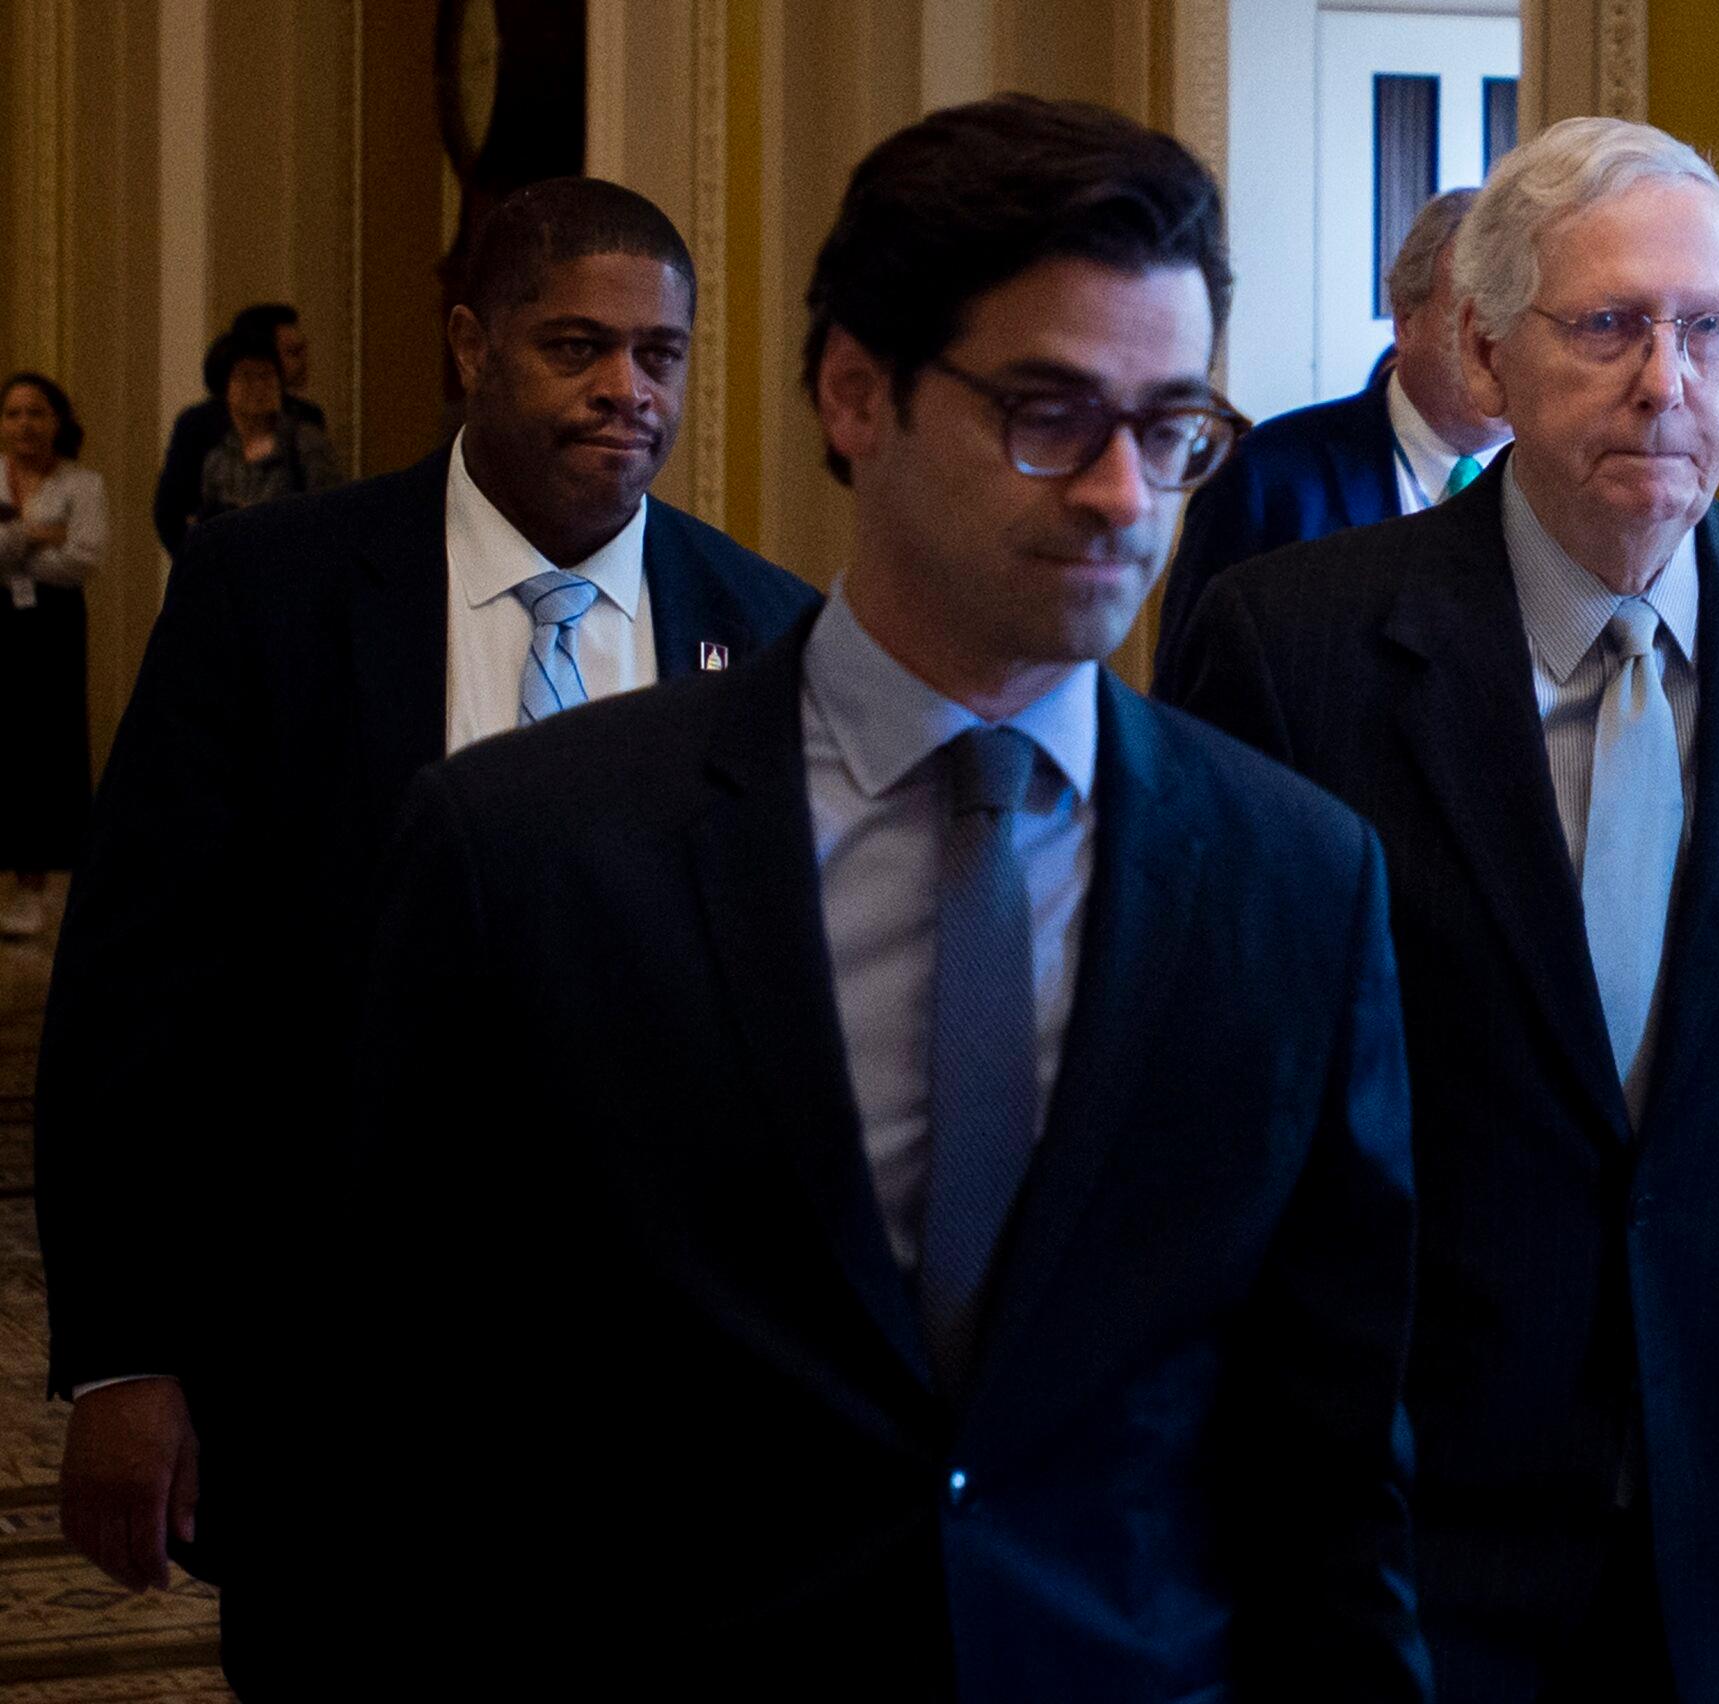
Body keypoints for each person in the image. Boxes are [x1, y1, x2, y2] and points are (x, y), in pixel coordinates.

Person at [348, 96, 1427, 1698]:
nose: (1127, 495)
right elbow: (390, 1422)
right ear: (857, 392)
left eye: (1173, 427)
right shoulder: (535, 851)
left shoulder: (1297, 877)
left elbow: (1332, 1465)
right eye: (1050, 414)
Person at [1167, 115, 1719, 1702]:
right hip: (1391, 1440)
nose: (1663, 379)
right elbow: (1210, 1087)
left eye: (1706, 329)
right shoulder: (1297, 642)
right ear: (1484, 353)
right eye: (1608, 325)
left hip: (1713, 1433)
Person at [34, 177, 818, 1696]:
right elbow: (139, 984)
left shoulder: (766, 629)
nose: (626, 391)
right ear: (473, 342)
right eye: (578, 346)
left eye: (659, 354)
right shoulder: (274, 595)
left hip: (661, 1411)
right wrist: (126, 1354)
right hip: (340, 1394)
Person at [1151, 186, 1510, 674]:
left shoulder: (1566, 486)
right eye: (1469, 321)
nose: (1496, 350)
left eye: (1513, 322)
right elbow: (1189, 702)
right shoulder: (1265, 480)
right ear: (1405, 320)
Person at [0, 372, 107, 940]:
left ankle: (37, 887)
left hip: (53, 626)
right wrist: (35, 536)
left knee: (46, 742)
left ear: (58, 421)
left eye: (36, 413)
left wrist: (13, 549)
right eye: (14, 413)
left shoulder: (82, 483)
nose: (25, 425)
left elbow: (82, 556)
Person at [150, 304, 327, 556]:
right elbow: (174, 511)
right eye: (292, 352)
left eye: (265, 376)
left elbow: (323, 503)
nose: (258, 387)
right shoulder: (206, 432)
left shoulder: (304, 427)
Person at [193, 332, 343, 522]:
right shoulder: (218, 459)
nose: (259, 386)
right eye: (246, 377)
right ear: (224, 388)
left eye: (267, 375)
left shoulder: (305, 441)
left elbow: (331, 510)